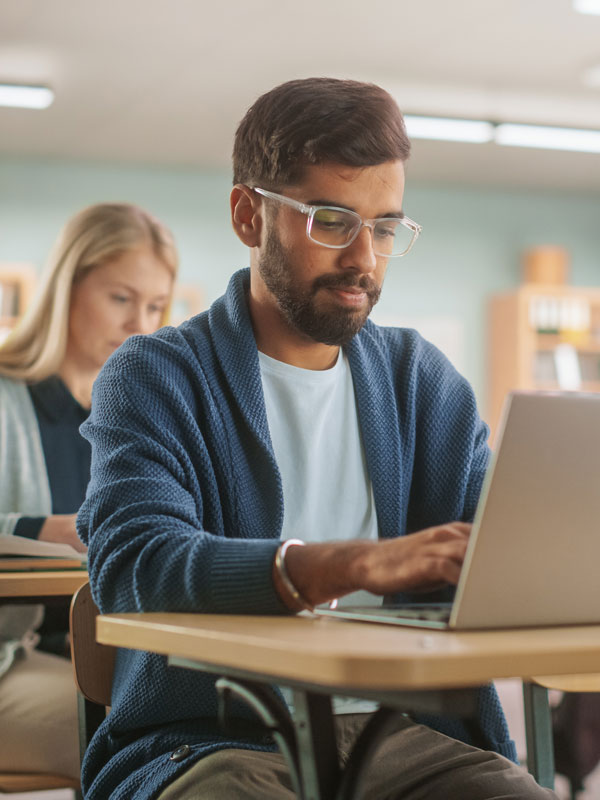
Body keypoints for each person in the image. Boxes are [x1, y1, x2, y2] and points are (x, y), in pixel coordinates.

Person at [77, 79, 557, 799]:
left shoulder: (421, 381)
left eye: (386, 226)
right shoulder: (154, 377)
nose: (365, 257)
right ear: (249, 215)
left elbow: (503, 549)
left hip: (403, 735)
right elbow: (133, 564)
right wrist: (349, 565)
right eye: (332, 220)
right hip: (214, 743)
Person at [0, 202, 177, 780]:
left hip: (113, 657)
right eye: (121, 299)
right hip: (14, 661)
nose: (140, 326)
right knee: (147, 748)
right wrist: (36, 530)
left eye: (155, 306)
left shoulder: (137, 418)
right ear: (65, 288)